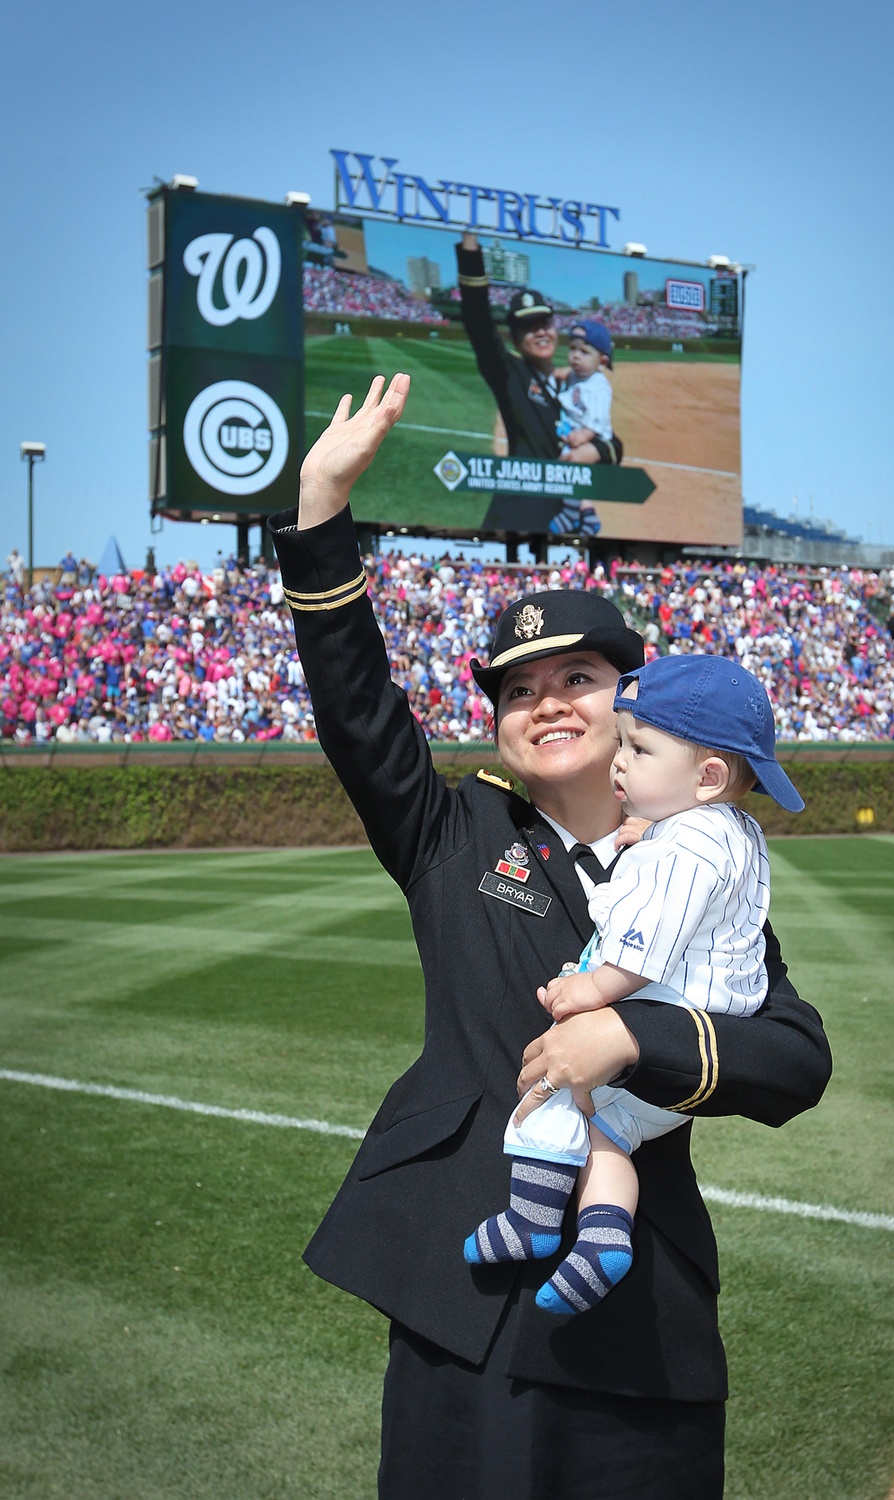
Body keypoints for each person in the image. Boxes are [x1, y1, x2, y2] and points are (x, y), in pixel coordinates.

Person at [268, 373, 832, 1500]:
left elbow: (792, 1057)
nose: (548, 702)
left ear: (634, 701)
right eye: (517, 688)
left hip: (633, 1310)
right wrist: (321, 514)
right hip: (463, 1298)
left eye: (579, 676)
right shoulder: (452, 831)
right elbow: (357, 706)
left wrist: (632, 1042)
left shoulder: (703, 863)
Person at [465, 654, 805, 1319]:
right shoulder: (727, 828)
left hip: (671, 1015)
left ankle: (532, 1219)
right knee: (609, 1138)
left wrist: (591, 992)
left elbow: (643, 947)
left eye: (639, 748)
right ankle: (601, 1240)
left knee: (554, 1104)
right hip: (709, 1023)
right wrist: (651, 832)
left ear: (708, 776)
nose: (620, 761)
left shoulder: (681, 849)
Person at [456, 233, 622, 537]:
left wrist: (595, 450)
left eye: (544, 323)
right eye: (527, 327)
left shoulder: (574, 383)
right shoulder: (511, 374)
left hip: (565, 521)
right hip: (520, 514)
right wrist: (470, 250)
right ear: (516, 338)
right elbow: (478, 322)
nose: (540, 332)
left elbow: (614, 445)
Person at [556, 319, 616, 466]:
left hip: (590, 438)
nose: (576, 355)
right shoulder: (575, 376)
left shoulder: (598, 385)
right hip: (572, 432)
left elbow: (597, 417)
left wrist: (585, 434)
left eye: (584, 352)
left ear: (601, 362)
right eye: (572, 348)